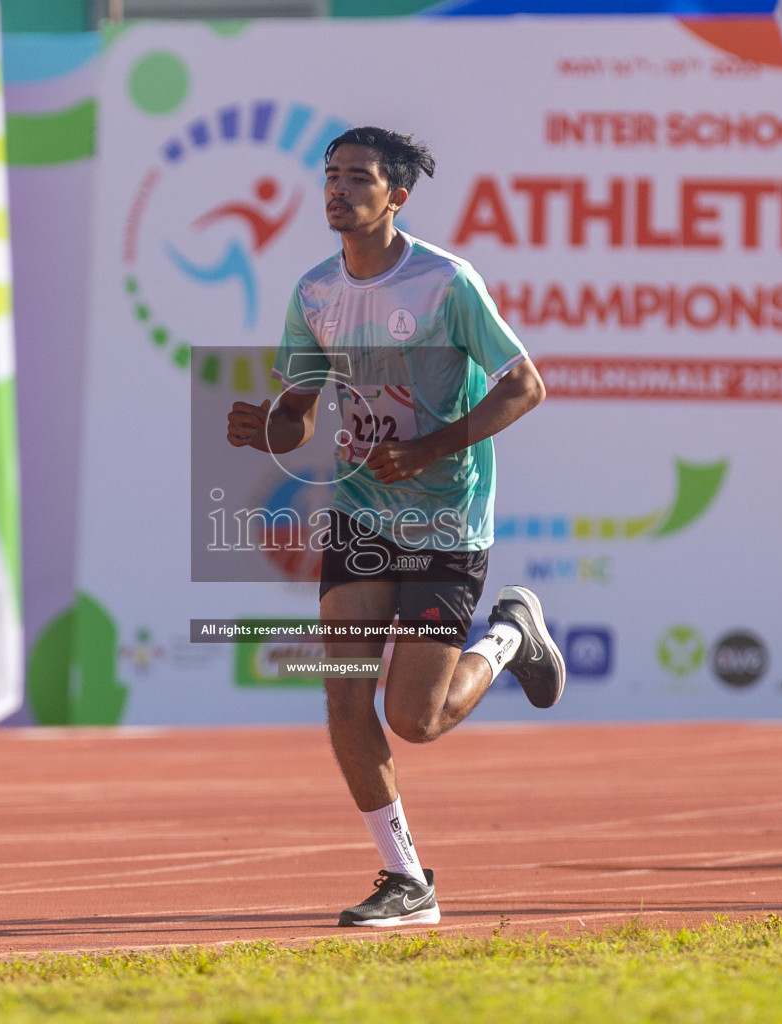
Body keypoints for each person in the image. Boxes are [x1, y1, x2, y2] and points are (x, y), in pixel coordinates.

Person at [225, 126, 563, 928]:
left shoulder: (448, 282)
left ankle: (510, 638)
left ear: (396, 197)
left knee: (416, 720)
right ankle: (405, 878)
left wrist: (430, 449)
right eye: (331, 176)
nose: (337, 191)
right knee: (344, 698)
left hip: (447, 519)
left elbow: (526, 386)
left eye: (358, 179)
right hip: (358, 516)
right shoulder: (313, 293)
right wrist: (262, 429)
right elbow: (298, 419)